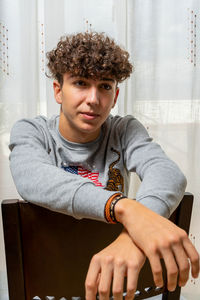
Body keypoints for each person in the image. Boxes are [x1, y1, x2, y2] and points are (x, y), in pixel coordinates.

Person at [9, 32, 199, 300]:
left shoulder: (124, 130)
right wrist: (125, 208)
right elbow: (31, 177)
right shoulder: (32, 131)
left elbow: (167, 174)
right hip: (53, 284)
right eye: (80, 83)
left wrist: (132, 239)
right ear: (58, 91)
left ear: (115, 95)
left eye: (105, 87)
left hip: (117, 283)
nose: (94, 99)